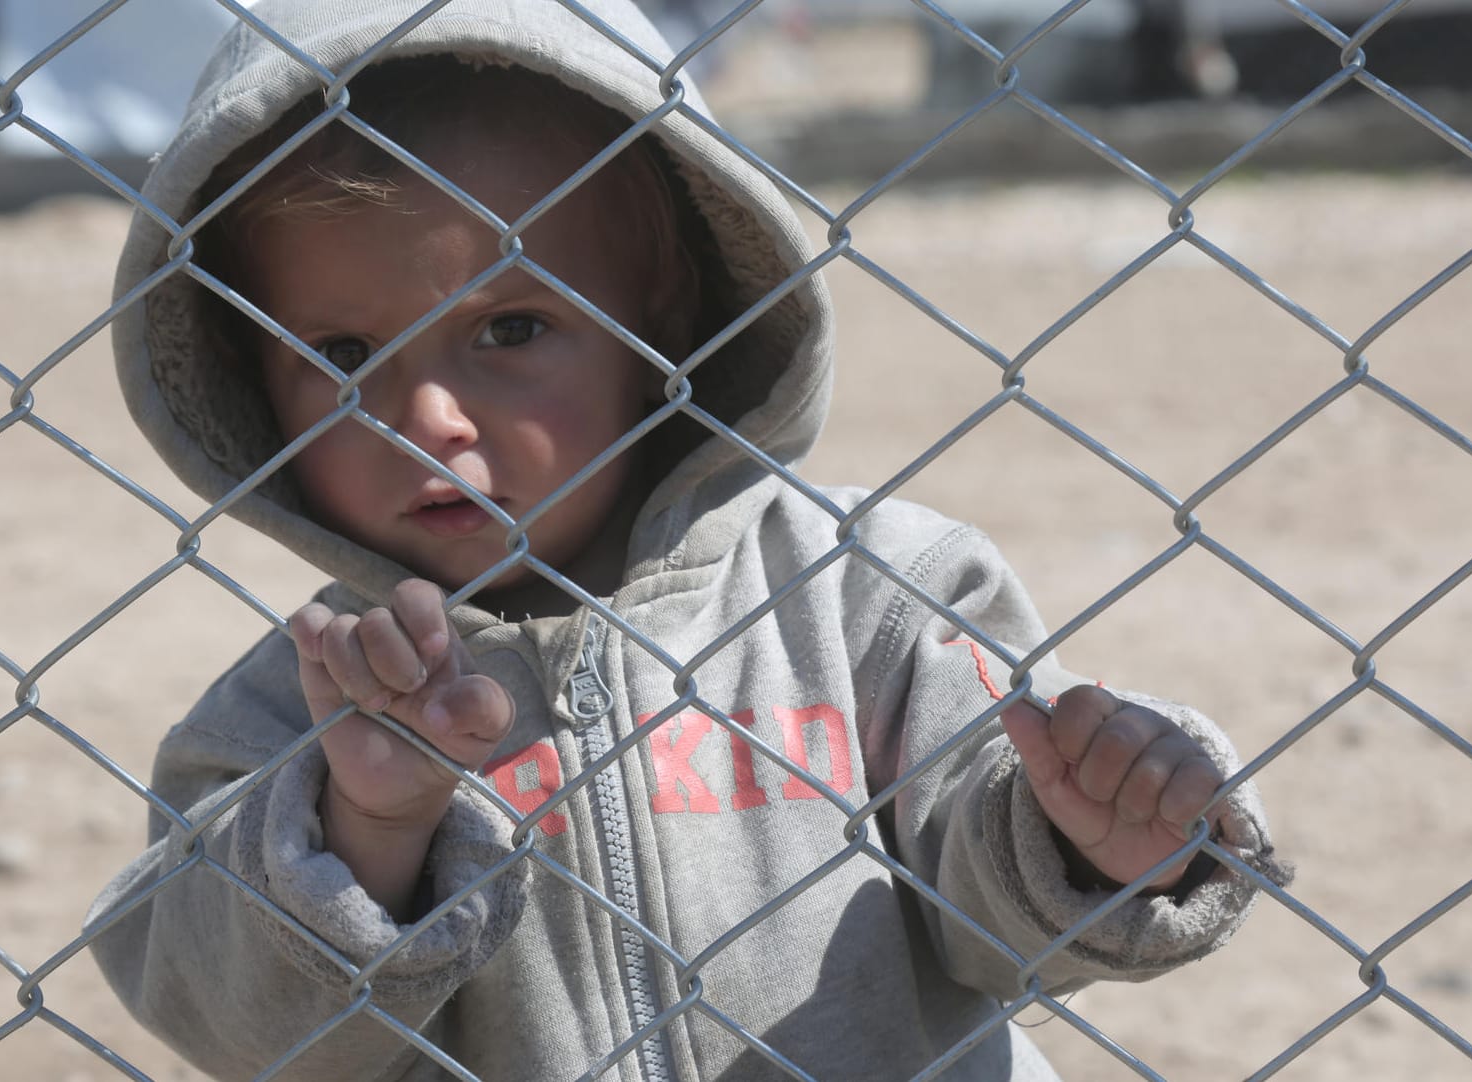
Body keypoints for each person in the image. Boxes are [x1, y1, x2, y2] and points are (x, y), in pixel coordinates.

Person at [87, 1, 1289, 1079]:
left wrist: (1095, 842)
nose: (428, 420)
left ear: (662, 317)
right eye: (342, 359)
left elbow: (994, 903)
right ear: (246, 375)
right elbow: (221, 1019)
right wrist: (364, 832)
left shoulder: (864, 594)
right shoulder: (286, 716)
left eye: (508, 327)